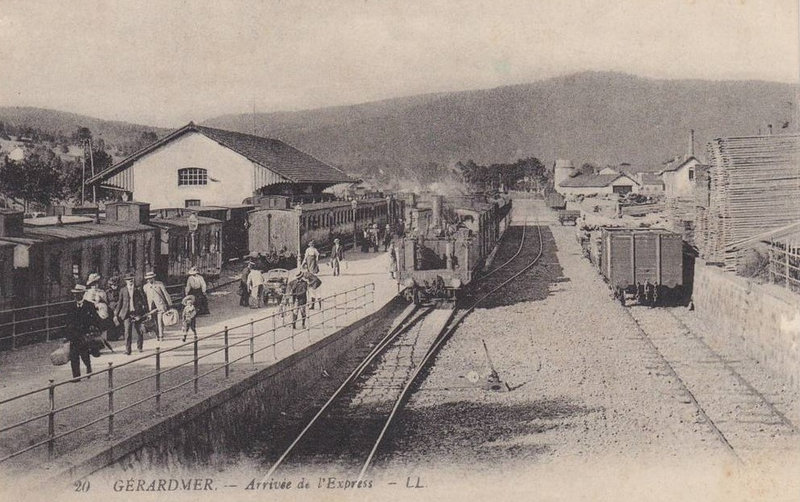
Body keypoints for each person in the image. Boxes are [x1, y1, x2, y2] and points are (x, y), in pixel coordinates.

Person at [65, 284, 100, 380]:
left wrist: (93, 328)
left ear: (83, 294)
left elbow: (96, 319)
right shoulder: (71, 306)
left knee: (84, 354)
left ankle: (88, 368)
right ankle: (76, 376)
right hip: (74, 335)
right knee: (74, 355)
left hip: (84, 334)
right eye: (75, 294)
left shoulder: (89, 305)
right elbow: (67, 321)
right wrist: (67, 336)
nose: (76, 296)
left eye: (78, 294)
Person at [115, 274, 148, 355]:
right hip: (127, 314)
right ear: (126, 281)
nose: (130, 281)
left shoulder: (138, 289)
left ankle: (139, 347)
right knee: (127, 332)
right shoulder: (123, 290)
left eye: (132, 279)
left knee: (139, 331)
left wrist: (145, 312)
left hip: (137, 313)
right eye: (128, 279)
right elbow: (120, 302)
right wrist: (116, 314)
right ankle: (128, 350)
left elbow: (144, 301)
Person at [143, 271, 172, 341]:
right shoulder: (145, 287)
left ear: (153, 278)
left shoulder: (159, 284)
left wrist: (169, 304)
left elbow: (165, 294)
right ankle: (157, 334)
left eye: (150, 278)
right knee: (153, 321)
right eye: (148, 279)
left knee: (160, 321)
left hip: (160, 305)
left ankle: (161, 335)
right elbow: (145, 296)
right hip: (151, 307)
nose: (149, 280)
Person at [104, 276, 123, 341]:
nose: (114, 286)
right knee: (111, 322)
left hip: (118, 307)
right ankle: (111, 337)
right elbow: (106, 301)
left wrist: (118, 305)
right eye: (112, 285)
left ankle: (119, 335)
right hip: (110, 308)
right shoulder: (108, 292)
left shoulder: (120, 291)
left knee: (119, 320)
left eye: (115, 285)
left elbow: (121, 300)